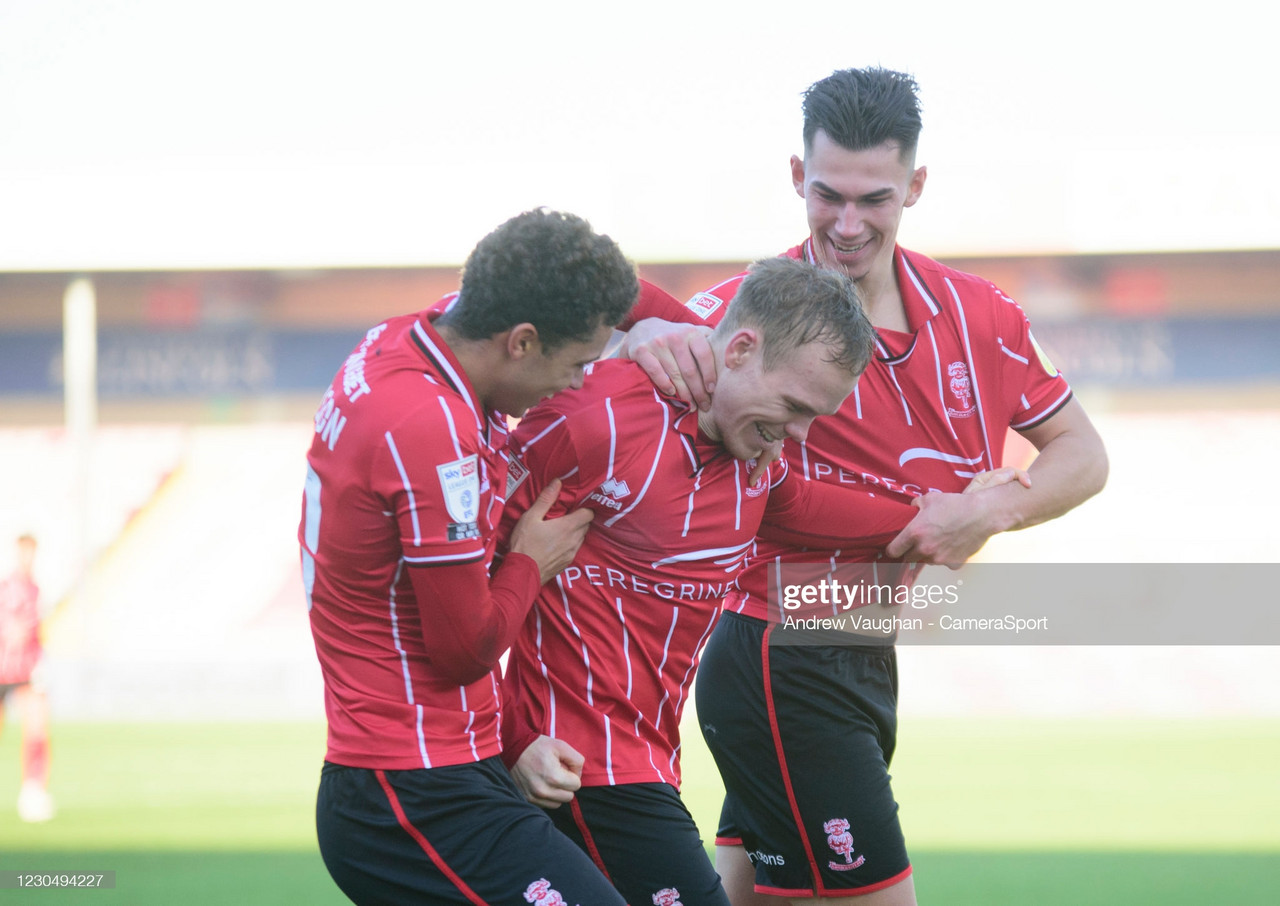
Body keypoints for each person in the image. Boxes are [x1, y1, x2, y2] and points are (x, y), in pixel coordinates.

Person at [621, 68, 1109, 904]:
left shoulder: (980, 314)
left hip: (859, 655)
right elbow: (621, 381)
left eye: (874, 199)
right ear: (795, 180)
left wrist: (987, 509)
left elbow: (1082, 454)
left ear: (914, 186)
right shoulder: (739, 317)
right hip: (781, 651)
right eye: (826, 196)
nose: (847, 225)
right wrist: (647, 334)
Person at [498, 257, 1030, 906]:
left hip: (649, 761)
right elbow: (454, 571)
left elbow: (804, 506)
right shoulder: (595, 413)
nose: (800, 433)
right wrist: (513, 738)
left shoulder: (753, 460)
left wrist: (934, 519)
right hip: (578, 766)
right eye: (794, 406)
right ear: (741, 349)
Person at [300, 208, 640, 905]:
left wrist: (666, 327)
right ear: (521, 341)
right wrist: (529, 562)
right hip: (410, 790)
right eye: (577, 362)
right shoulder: (428, 426)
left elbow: (549, 263)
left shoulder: (403, 342)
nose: (578, 384)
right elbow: (462, 649)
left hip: (431, 767)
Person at [0, 533, 55, 823]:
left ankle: (33, 792)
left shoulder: (36, 589)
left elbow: (36, 633)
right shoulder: (6, 588)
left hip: (28, 671)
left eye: (31, 553)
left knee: (36, 730)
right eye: (23, 553)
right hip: (3, 670)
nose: (27, 559)